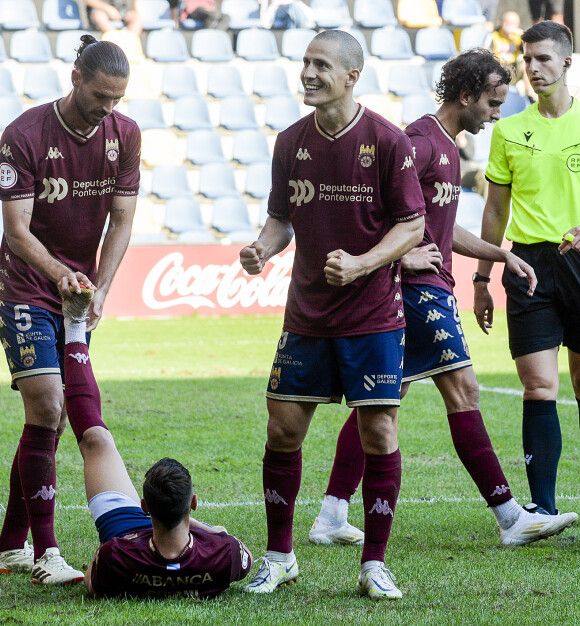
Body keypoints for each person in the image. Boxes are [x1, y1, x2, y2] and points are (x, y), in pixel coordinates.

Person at [309, 49, 578, 549]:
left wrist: (501, 255)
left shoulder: (448, 147)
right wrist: (397, 256)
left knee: (383, 399)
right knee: (463, 390)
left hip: (427, 288)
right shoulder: (417, 141)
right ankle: (510, 517)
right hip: (414, 293)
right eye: (493, 102)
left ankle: (330, 513)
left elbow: (442, 229)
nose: (497, 112)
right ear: (466, 95)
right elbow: (375, 207)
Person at [238, 30, 425, 600]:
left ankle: (374, 564)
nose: (308, 73)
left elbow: (412, 225)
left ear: (350, 76)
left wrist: (365, 263)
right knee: (283, 428)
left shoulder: (388, 142)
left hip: (372, 316)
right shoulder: (289, 141)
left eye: (321, 65)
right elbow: (280, 218)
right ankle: (279, 556)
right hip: (307, 316)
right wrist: (262, 249)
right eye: (305, 63)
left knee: (379, 431)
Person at [0, 35, 140, 586]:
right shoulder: (24, 135)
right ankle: (47, 553)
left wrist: (99, 286)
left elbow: (122, 220)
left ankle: (10, 545)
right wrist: (61, 275)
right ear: (75, 78)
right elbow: (16, 230)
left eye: (117, 99)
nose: (107, 108)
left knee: (43, 421)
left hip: (78, 295)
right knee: (51, 404)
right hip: (25, 286)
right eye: (100, 95)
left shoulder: (125, 136)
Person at [476, 21, 580, 529]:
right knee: (538, 386)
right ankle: (541, 506)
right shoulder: (508, 130)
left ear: (567, 62)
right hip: (528, 266)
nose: (533, 68)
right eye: (528, 59)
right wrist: (481, 278)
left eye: (543, 59)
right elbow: (495, 211)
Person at [52, 288, 253, 598]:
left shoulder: (116, 555)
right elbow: (244, 558)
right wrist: (205, 533)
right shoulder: (222, 554)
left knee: (96, 440)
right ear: (193, 502)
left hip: (125, 527)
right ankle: (75, 325)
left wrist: (201, 530)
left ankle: (75, 324)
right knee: (96, 441)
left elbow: (92, 580)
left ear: (145, 508)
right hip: (156, 532)